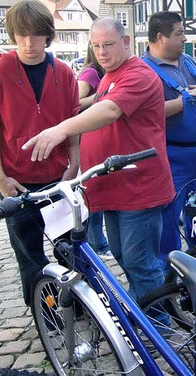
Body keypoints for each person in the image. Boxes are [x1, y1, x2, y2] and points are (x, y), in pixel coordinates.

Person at [22, 17, 175, 303]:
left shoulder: (137, 73)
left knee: (140, 263)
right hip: (116, 188)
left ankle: (155, 326)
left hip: (138, 190)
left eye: (108, 44)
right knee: (125, 257)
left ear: (126, 42)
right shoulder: (109, 75)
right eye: (96, 46)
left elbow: (110, 110)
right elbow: (97, 108)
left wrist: (60, 129)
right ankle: (146, 321)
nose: (101, 52)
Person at [0, 0, 80, 307]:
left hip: (60, 178)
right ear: (13, 35)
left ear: (47, 35)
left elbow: (73, 122)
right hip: (18, 182)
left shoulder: (62, 73)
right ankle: (44, 312)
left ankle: (76, 303)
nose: (29, 43)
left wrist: (75, 163)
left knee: (68, 247)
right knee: (29, 254)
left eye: (36, 35)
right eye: (22, 35)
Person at [140, 11, 196, 272]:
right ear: (160, 37)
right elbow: (144, 113)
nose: (185, 38)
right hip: (172, 156)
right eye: (179, 33)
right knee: (169, 218)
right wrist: (184, 102)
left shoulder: (188, 61)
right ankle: (169, 272)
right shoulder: (143, 70)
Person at [77, 46, 113, 260]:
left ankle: (97, 241)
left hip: (96, 136)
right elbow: (75, 101)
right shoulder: (91, 73)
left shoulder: (102, 74)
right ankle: (96, 242)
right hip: (87, 137)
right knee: (92, 191)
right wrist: (98, 99)